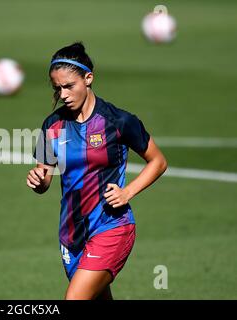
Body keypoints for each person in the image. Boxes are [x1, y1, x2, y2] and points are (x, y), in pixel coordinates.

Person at [26, 42, 168, 300]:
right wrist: (38, 180)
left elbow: (158, 162)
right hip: (71, 233)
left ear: (88, 78)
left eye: (69, 86)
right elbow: (44, 178)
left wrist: (128, 192)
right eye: (57, 89)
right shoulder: (52, 124)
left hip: (111, 226)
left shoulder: (118, 121)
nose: (63, 94)